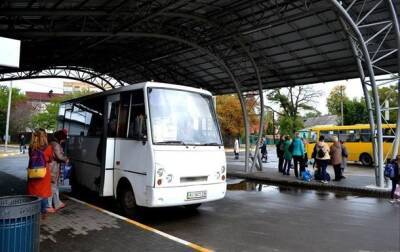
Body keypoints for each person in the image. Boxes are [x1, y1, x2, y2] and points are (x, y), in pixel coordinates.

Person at [27, 129, 53, 214]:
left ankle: (32, 213)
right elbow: (50, 160)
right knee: (43, 194)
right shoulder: (48, 148)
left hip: (33, 173)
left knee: (33, 194)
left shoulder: (31, 148)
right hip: (43, 175)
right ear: (44, 136)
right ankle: (42, 213)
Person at [48, 130, 69, 211]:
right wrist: (66, 159)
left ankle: (57, 203)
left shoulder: (53, 143)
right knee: (52, 186)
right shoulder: (56, 145)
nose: (64, 140)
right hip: (53, 168)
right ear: (60, 137)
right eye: (63, 138)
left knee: (55, 186)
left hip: (53, 167)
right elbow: (59, 156)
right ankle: (49, 206)